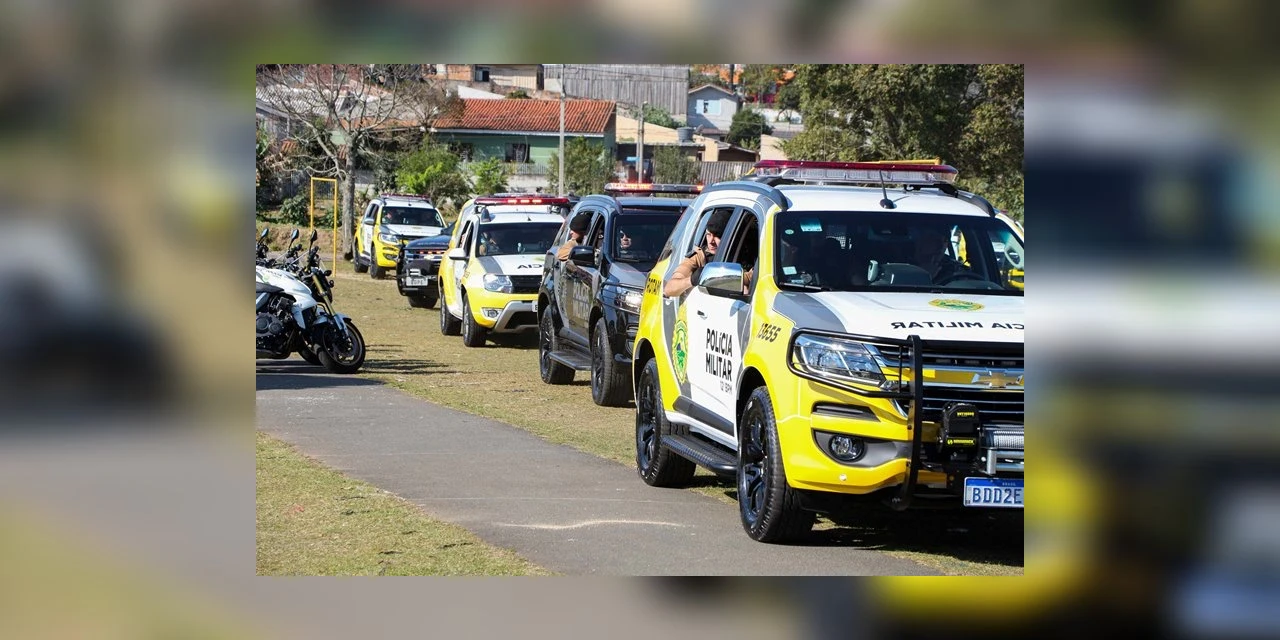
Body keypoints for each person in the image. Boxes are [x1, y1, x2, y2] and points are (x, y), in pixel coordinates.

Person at [664, 210, 737, 298]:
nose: (711, 241)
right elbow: (669, 289)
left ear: (730, 236)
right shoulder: (700, 257)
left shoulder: (746, 257)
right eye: (708, 235)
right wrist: (692, 280)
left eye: (718, 236)